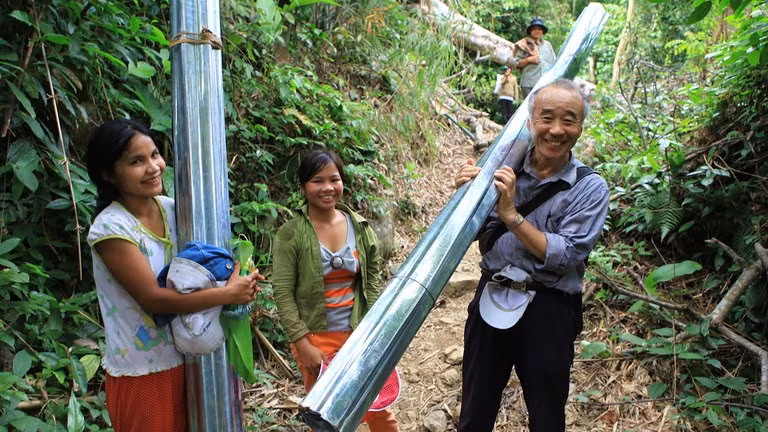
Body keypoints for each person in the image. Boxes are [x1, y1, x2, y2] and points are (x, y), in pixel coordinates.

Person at [86, 119, 262, 432]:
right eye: (136, 161)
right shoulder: (111, 227)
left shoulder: (173, 209)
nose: (153, 167)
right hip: (142, 373)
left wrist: (237, 276)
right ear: (108, 173)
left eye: (154, 155)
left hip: (189, 363)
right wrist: (228, 294)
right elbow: (152, 298)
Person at [453, 79, 610, 431]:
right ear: (529, 122)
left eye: (568, 120)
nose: (556, 130)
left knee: (546, 416)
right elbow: (479, 233)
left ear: (580, 128)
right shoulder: (503, 166)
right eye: (547, 118)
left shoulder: (589, 187)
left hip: (549, 309)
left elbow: (567, 254)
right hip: (492, 295)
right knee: (474, 414)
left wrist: (512, 214)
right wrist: (466, 197)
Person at [273, 150, 400, 431]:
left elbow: (372, 282)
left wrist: (373, 332)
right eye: (318, 181)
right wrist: (303, 343)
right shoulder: (291, 234)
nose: (328, 188)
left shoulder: (360, 227)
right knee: (327, 416)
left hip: (357, 336)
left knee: (378, 409)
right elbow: (282, 293)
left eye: (334, 179)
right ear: (303, 187)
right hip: (315, 340)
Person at [514, 18, 556, 98]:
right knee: (529, 109)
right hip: (529, 84)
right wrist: (529, 60)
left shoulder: (547, 45)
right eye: (534, 29)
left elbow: (554, 63)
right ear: (530, 31)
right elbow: (516, 63)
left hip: (545, 84)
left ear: (543, 31)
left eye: (539, 29)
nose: (537, 31)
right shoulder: (524, 44)